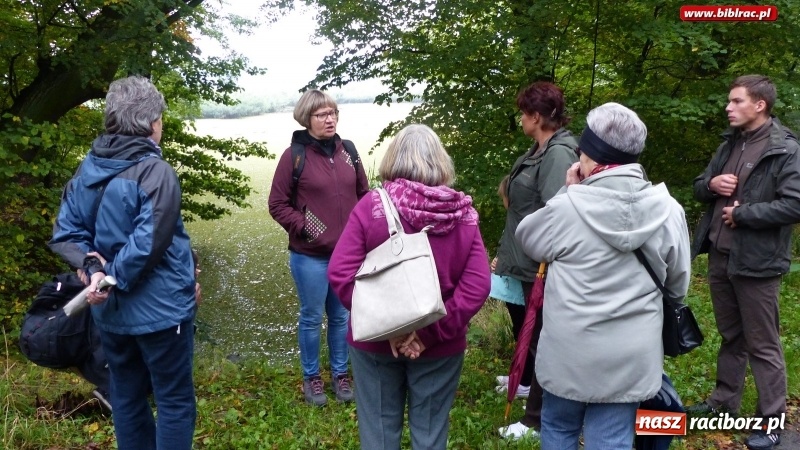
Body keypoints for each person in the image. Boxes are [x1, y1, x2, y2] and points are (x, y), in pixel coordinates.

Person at [515, 102, 691, 450]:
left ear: (591, 156)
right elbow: (677, 286)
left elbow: (527, 239)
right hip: (632, 356)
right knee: (611, 438)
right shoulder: (669, 210)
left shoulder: (567, 208)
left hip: (568, 352)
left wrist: (568, 190)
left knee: (559, 427)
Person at [49, 75, 197, 450]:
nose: (161, 126)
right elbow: (149, 243)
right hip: (162, 312)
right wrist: (108, 276)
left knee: (127, 395)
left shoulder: (87, 169)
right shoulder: (155, 172)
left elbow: (67, 233)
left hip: (109, 312)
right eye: (160, 119)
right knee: (174, 400)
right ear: (150, 123)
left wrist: (95, 272)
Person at [327, 124, 491, 449]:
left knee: (379, 434)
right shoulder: (462, 214)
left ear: (394, 158)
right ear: (440, 161)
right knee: (430, 434)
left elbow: (340, 272)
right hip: (440, 347)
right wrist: (429, 334)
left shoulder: (372, 206)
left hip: (375, 344)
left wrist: (388, 327)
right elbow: (477, 285)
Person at [688, 75, 800, 450]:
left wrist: (745, 214)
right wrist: (711, 185)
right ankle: (724, 403)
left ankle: (772, 422)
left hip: (758, 263)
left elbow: (795, 204)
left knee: (763, 344)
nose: (728, 107)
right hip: (721, 256)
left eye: (736, 101)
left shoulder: (785, 149)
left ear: (759, 105)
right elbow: (700, 185)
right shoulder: (730, 143)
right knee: (731, 336)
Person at [268, 89, 369, 406]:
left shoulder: (348, 151)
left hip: (346, 255)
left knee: (341, 317)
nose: (330, 119)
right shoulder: (294, 156)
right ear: (306, 118)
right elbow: (277, 204)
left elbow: (364, 194)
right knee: (312, 317)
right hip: (309, 256)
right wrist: (310, 229)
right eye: (322, 114)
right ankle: (312, 378)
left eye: (333, 113)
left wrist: (364, 232)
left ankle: (341, 375)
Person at [495, 81, 579, 440]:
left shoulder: (558, 154)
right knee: (533, 335)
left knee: (544, 340)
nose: (521, 120)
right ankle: (528, 389)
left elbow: (556, 212)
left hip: (542, 265)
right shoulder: (539, 149)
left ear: (536, 116)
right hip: (525, 261)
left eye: (523, 113)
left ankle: (536, 420)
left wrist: (543, 259)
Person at [489, 176, 529, 397]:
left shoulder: (523, 221)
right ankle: (518, 374)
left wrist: (503, 262)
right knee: (518, 330)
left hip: (519, 287)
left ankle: (526, 380)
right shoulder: (514, 220)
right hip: (511, 287)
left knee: (524, 331)